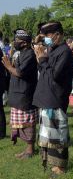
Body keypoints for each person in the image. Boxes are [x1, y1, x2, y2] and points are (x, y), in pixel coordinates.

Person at [32, 21, 73, 175]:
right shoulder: (52, 49)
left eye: (48, 35)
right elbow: (44, 71)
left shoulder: (65, 52)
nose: (46, 39)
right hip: (46, 96)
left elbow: (55, 75)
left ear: (58, 34)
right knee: (48, 134)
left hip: (56, 97)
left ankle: (60, 167)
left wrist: (43, 60)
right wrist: (41, 59)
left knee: (58, 134)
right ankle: (52, 164)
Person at [1, 29, 38, 158]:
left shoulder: (30, 54)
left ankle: (30, 150)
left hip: (25, 94)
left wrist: (8, 66)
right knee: (21, 123)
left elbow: (20, 73)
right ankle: (27, 150)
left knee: (28, 123)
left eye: (17, 40)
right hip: (18, 93)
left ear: (25, 43)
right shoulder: (21, 53)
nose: (14, 42)